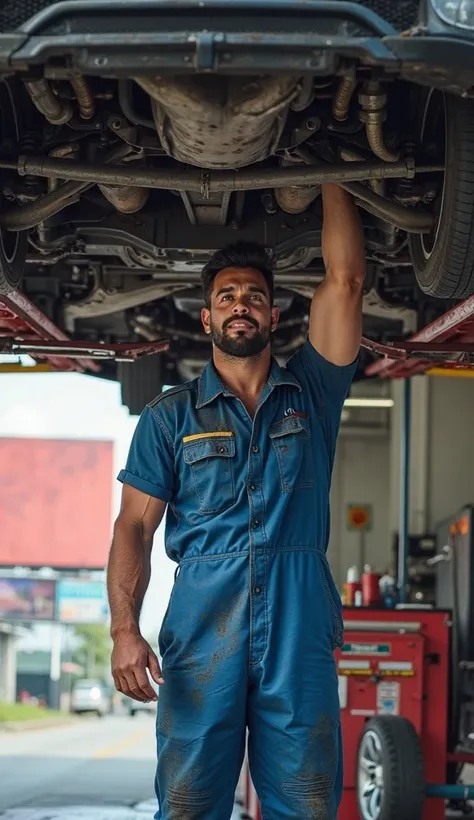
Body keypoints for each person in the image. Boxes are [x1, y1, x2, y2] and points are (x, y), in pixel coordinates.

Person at [107, 183, 365, 820]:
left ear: (275, 316)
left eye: (254, 295)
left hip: (298, 621)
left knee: (305, 805)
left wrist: (336, 172)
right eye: (227, 296)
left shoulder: (312, 392)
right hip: (202, 626)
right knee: (192, 804)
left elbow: (346, 281)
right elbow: (134, 528)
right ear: (208, 317)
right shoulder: (169, 417)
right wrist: (122, 631)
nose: (241, 305)